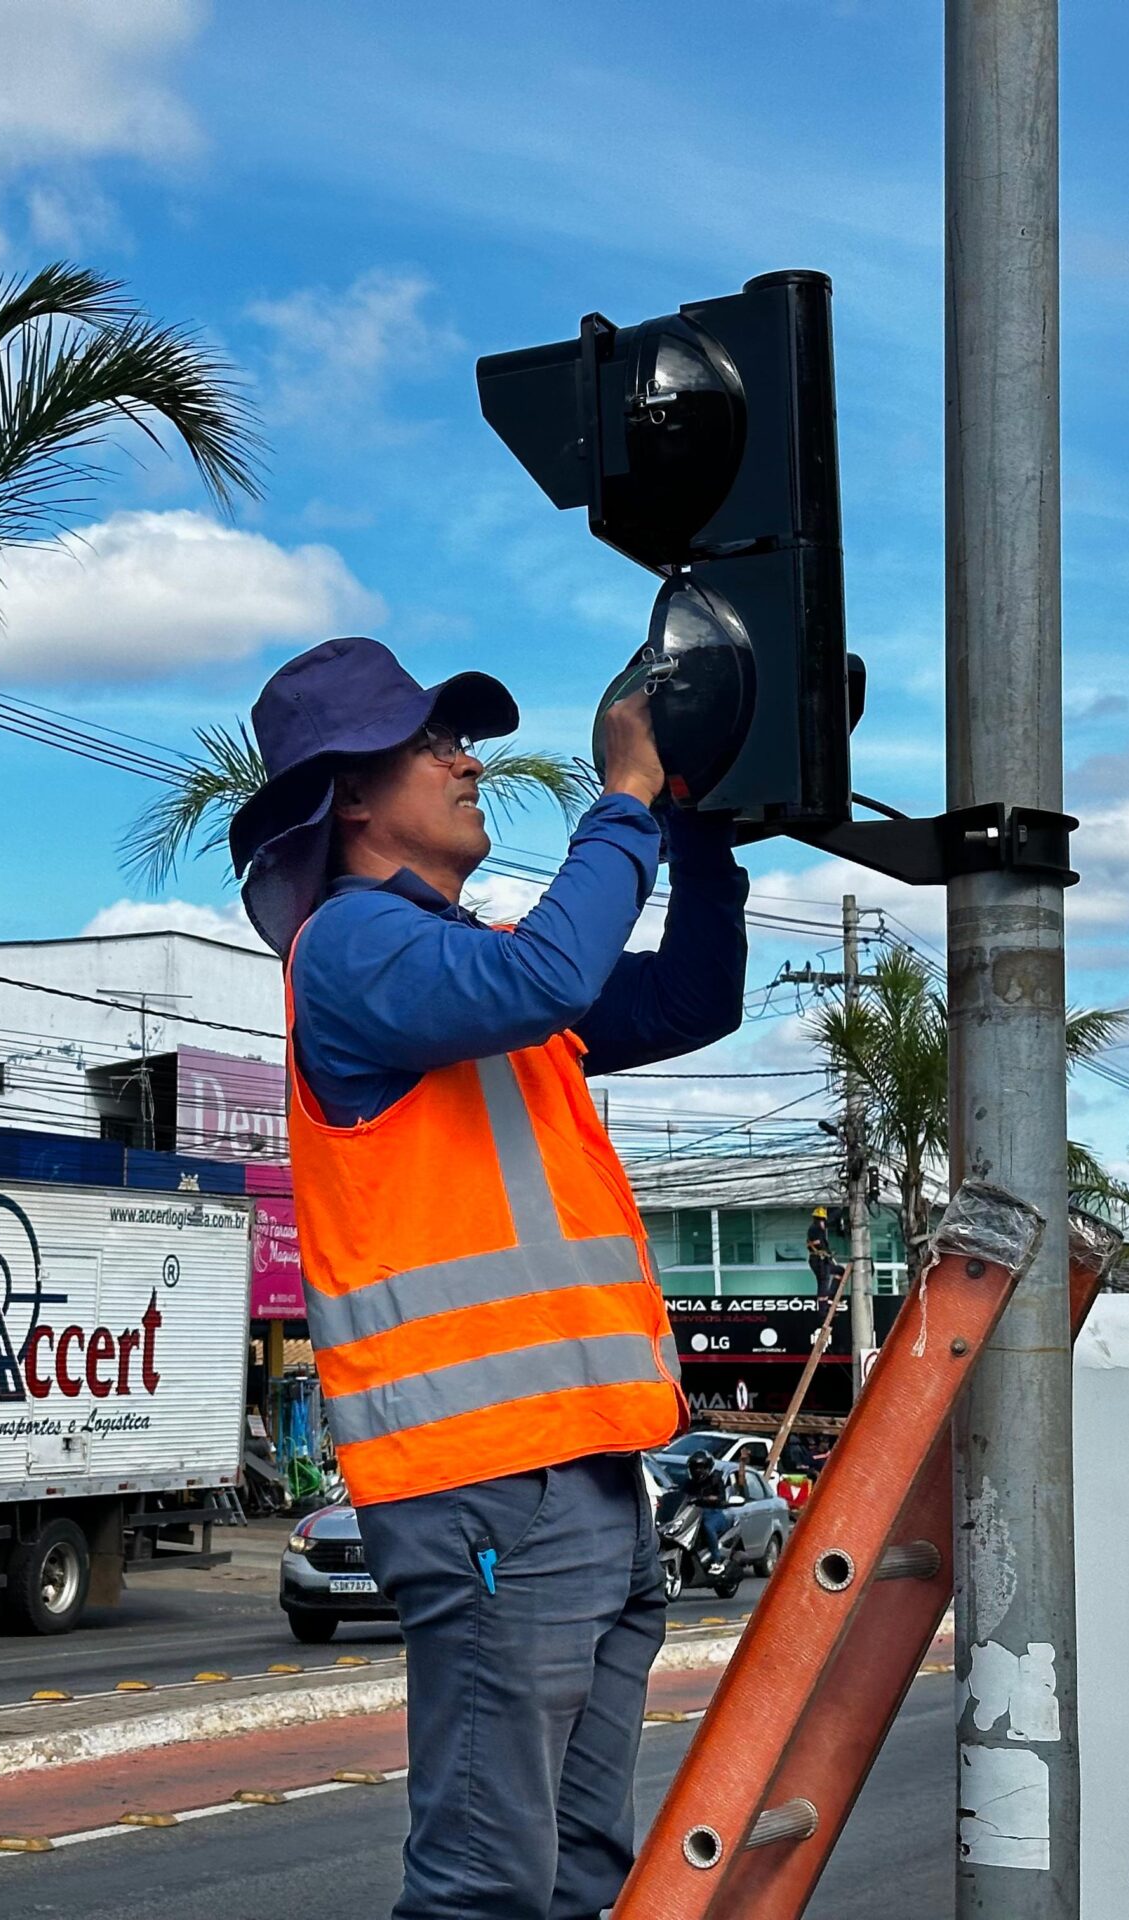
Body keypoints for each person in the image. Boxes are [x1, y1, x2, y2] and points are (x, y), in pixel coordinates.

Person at [228, 635, 750, 1920]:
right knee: (483, 1884)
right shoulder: (355, 951)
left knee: (573, 1875)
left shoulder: (463, 973)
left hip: (580, 1472)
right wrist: (623, 801)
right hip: (485, 1485)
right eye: (432, 744)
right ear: (351, 796)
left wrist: (697, 824)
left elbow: (694, 997)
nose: (468, 761)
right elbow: (551, 975)